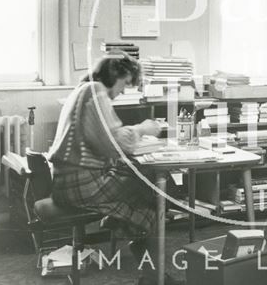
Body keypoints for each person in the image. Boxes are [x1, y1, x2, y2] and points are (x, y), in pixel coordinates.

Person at [48, 51, 174, 285]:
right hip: (83, 185)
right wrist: (143, 128)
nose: (124, 91)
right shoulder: (96, 92)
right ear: (117, 74)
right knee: (155, 199)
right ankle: (155, 279)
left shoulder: (82, 89)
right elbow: (115, 142)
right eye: (125, 83)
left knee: (144, 192)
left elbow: (104, 142)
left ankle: (149, 267)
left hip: (69, 182)